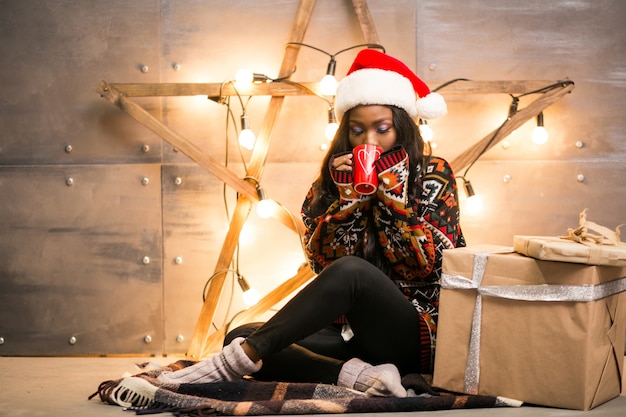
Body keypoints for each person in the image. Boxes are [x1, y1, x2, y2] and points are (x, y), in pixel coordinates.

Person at [116, 49, 465, 402]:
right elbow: (322, 266)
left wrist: (390, 195)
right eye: (358, 131)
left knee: (353, 273)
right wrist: (350, 199)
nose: (369, 142)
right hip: (348, 337)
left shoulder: (433, 173)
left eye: (382, 129)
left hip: (416, 334)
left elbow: (427, 265)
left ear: (401, 127)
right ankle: (365, 378)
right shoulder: (329, 184)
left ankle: (224, 366)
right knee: (242, 334)